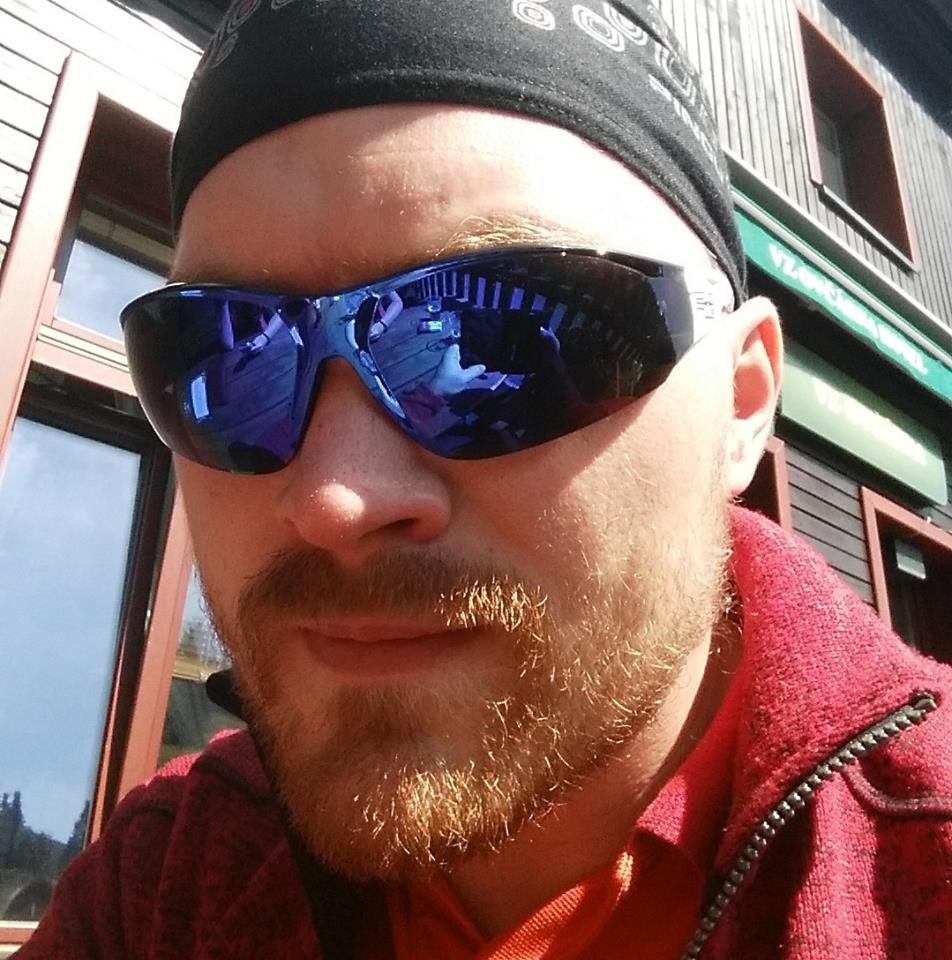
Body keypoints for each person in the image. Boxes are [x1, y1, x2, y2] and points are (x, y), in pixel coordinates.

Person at [21, 1, 952, 957]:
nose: (334, 500)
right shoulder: (161, 881)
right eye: (224, 357)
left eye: (505, 343)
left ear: (742, 401)